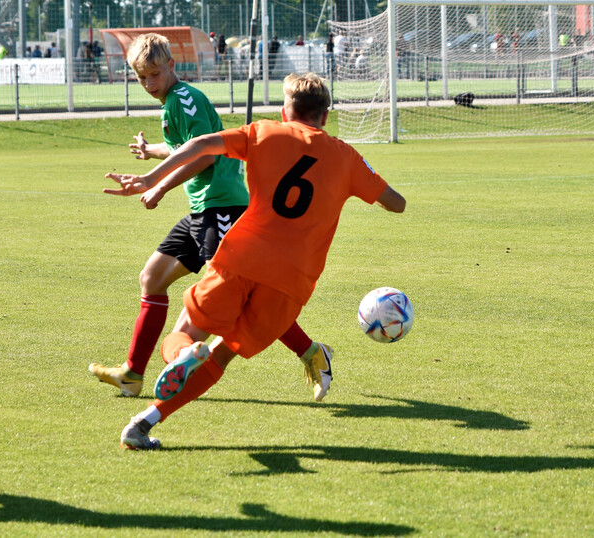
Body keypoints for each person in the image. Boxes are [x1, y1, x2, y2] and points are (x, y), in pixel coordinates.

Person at [104, 72, 405, 449]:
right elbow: (396, 203)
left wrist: (152, 179)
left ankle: (182, 355)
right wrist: (365, 178)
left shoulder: (264, 133)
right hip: (292, 284)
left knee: (187, 332)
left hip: (242, 259)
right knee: (223, 354)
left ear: (285, 111)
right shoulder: (346, 156)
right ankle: (143, 424)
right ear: (325, 117)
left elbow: (200, 145)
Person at [88, 34, 333, 402]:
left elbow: (203, 156)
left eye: (154, 74)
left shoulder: (184, 99)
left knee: (237, 301)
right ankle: (132, 374)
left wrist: (158, 187)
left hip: (223, 209)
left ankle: (311, 352)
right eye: (141, 78)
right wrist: (151, 151)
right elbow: (183, 147)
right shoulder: (174, 100)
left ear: (172, 66)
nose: (149, 84)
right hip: (202, 211)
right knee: (151, 278)